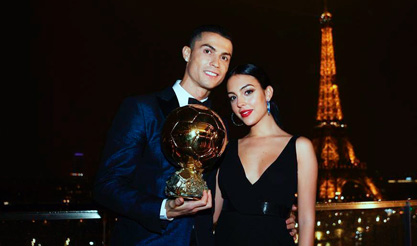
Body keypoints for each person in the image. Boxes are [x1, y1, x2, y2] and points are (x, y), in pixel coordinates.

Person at [93, 25, 297, 246]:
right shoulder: (142, 109)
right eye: (208, 51)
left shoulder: (224, 127)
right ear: (187, 54)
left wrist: (277, 215)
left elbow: (231, 193)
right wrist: (163, 209)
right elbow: (106, 185)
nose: (216, 63)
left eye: (224, 57)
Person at [213, 63, 318, 246]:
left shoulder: (300, 147)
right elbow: (212, 215)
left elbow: (307, 220)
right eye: (232, 97)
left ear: (268, 93)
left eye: (248, 92)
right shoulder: (224, 149)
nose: (240, 103)